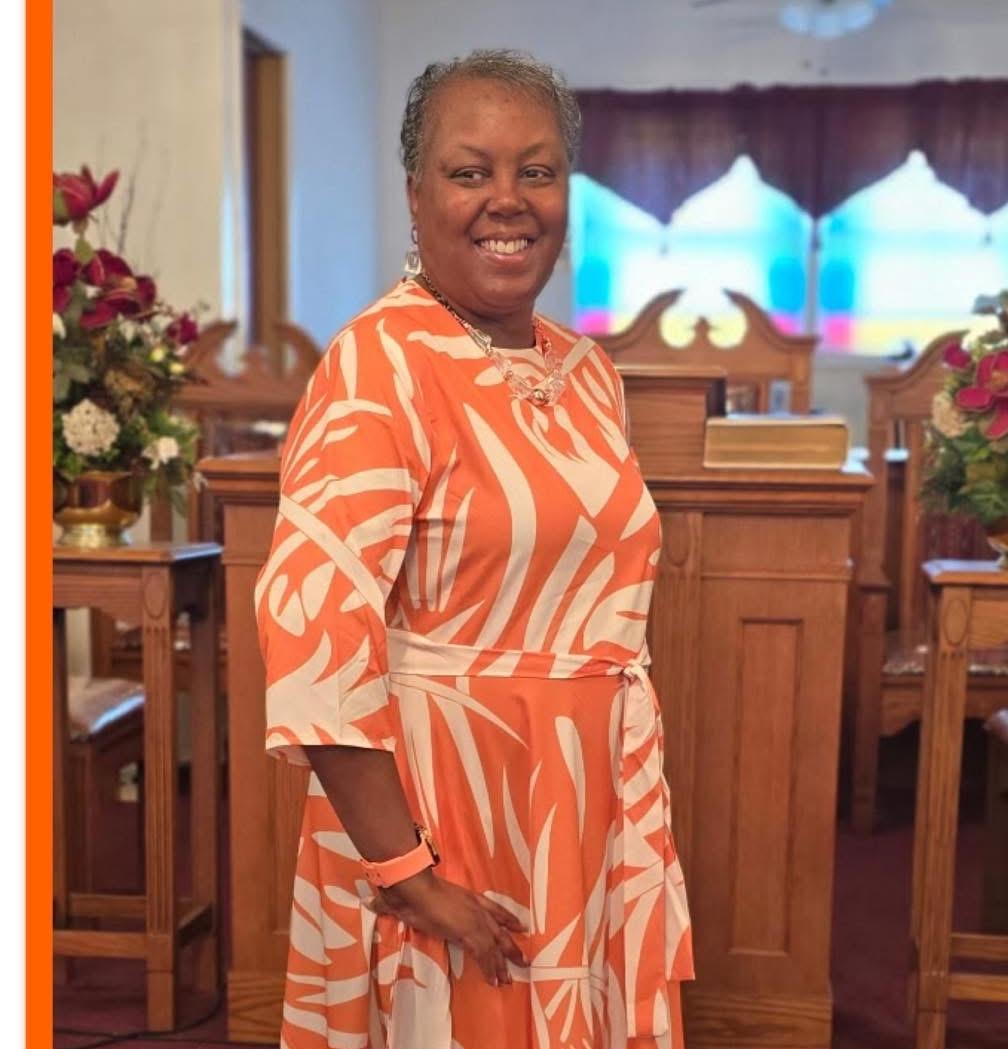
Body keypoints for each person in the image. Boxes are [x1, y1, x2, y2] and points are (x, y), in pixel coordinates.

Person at [255, 49, 693, 1049]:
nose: (507, 199)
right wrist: (404, 871)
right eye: (469, 171)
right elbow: (313, 629)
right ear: (416, 197)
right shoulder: (380, 361)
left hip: (579, 799)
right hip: (441, 806)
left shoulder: (585, 370)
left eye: (536, 171)